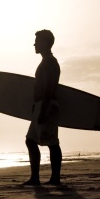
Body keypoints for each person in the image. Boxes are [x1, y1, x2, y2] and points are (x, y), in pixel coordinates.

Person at [23, 29, 62, 186]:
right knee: (31, 140)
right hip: (41, 105)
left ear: (45, 43)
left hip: (47, 105)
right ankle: (35, 178)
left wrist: (44, 109)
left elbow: (49, 88)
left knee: (52, 142)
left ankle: (55, 178)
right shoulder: (46, 62)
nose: (34, 44)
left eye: (37, 41)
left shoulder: (50, 63)